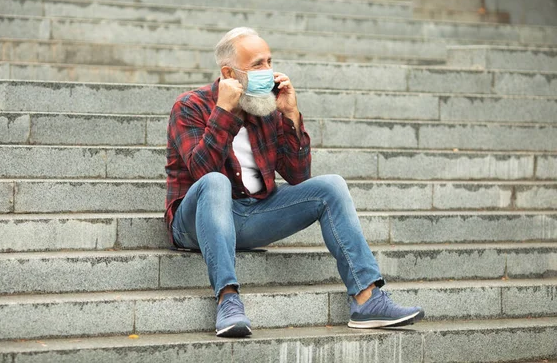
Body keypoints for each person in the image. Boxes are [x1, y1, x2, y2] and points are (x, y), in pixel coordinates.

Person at [165, 27, 424, 338]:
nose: (268, 71)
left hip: (251, 216)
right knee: (216, 182)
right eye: (257, 64)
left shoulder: (266, 107)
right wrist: (224, 111)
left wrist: (291, 114)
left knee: (331, 186)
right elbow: (200, 170)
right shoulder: (190, 106)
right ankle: (228, 300)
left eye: (270, 62)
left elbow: (299, 176)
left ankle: (367, 299)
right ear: (228, 72)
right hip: (194, 223)